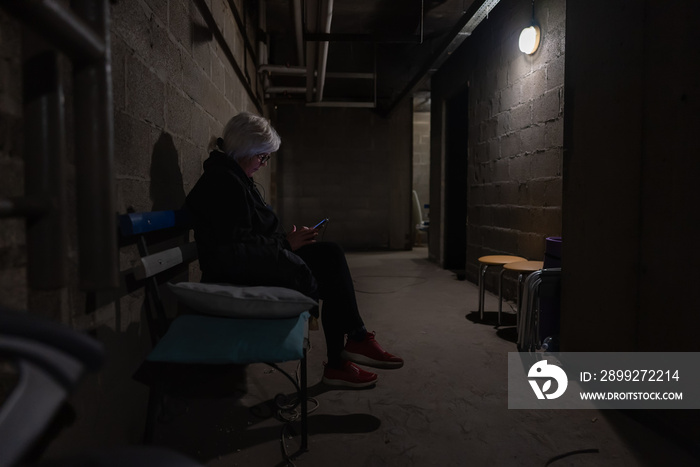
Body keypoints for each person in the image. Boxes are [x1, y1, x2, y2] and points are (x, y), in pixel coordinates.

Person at [185, 112, 403, 388]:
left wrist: (286, 240)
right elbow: (232, 253)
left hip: (253, 266)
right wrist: (286, 244)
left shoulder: (234, 178)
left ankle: (350, 349)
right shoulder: (224, 183)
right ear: (245, 149)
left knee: (329, 258)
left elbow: (246, 238)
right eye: (261, 157)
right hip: (239, 278)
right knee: (330, 265)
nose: (263, 164)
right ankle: (348, 351)